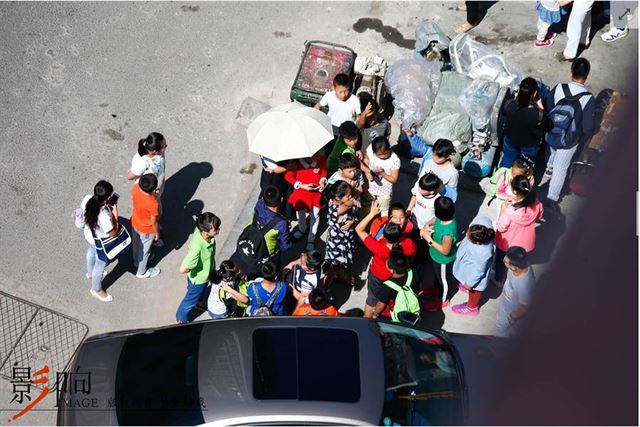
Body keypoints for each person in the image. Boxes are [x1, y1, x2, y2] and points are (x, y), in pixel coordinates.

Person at [542, 58, 595, 215]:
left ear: (570, 72)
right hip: (570, 140)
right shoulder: (588, 98)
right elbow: (587, 126)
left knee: (552, 151)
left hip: (552, 131)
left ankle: (548, 169)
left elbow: (549, 106)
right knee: (561, 168)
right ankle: (551, 198)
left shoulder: (559, 87)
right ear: (588, 75)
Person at [356, 200, 417, 318]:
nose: (399, 220)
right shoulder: (408, 244)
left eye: (401, 217)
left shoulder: (379, 247)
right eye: (395, 217)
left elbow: (359, 229)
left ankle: (366, 320)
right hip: (396, 279)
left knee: (372, 300)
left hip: (377, 276)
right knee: (387, 301)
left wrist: (371, 214)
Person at [494, 176, 544, 286]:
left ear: (515, 191)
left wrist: (503, 210)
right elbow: (539, 216)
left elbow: (501, 227)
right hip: (526, 243)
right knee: (519, 263)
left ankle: (498, 280)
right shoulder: (537, 203)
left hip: (507, 244)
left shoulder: (510, 211)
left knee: (501, 261)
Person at [499, 78, 554, 168]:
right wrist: (541, 106)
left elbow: (505, 113)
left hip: (510, 140)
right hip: (529, 146)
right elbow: (549, 126)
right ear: (535, 94)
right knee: (523, 166)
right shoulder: (538, 115)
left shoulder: (509, 104)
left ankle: (501, 178)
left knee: (507, 159)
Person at [176, 212, 221, 323]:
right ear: (205, 232)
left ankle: (200, 303)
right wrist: (196, 267)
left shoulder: (201, 231)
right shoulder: (197, 247)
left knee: (197, 294)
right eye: (215, 229)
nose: (218, 230)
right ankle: (181, 320)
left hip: (205, 275)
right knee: (189, 301)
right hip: (198, 280)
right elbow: (183, 269)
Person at [127, 132, 167, 247]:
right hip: (148, 195)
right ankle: (153, 237)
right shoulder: (142, 162)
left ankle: (154, 229)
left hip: (156, 191)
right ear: (155, 150)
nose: (165, 148)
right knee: (150, 218)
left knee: (158, 213)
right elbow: (130, 175)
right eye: (164, 146)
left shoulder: (158, 152)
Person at [82, 180, 120, 302]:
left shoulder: (88, 199)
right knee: (100, 265)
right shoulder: (104, 215)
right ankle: (96, 289)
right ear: (107, 198)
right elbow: (113, 233)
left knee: (91, 252)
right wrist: (114, 213)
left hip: (89, 235)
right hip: (101, 242)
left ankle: (90, 273)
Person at [451, 216, 496, 316]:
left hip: (475, 275)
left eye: (469, 235)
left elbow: (479, 271)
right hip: (470, 266)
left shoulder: (483, 252)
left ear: (478, 242)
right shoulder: (482, 224)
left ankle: (472, 307)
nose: (466, 233)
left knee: (476, 289)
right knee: (471, 284)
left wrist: (470, 284)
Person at [284, 152, 327, 249]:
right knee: (301, 214)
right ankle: (302, 229)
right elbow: (288, 176)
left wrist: (322, 181)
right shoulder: (297, 163)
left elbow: (324, 172)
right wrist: (302, 186)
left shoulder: (321, 159)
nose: (317, 157)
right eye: (314, 155)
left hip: (316, 196)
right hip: (301, 196)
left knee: (315, 216)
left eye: (317, 154)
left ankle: (311, 239)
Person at [421, 197, 458, 310]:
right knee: (437, 276)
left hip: (443, 260)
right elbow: (435, 219)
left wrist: (429, 239)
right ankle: (436, 289)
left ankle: (443, 300)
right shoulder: (443, 217)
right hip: (435, 256)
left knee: (444, 280)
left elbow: (445, 251)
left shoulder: (448, 231)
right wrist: (426, 225)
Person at [495, 246, 536, 337]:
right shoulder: (523, 264)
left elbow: (525, 306)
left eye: (506, 262)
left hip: (509, 312)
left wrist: (512, 316)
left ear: (514, 268)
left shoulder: (524, 285)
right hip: (506, 303)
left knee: (501, 331)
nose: (503, 260)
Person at [222, 261, 287, 317]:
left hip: (256, 314)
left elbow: (247, 299)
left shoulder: (252, 287)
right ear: (276, 276)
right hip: (276, 315)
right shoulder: (283, 287)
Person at [371, 250, 420, 322]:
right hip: (412, 305)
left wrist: (375, 314)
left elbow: (381, 304)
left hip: (396, 312)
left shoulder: (387, 286)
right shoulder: (413, 272)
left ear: (392, 270)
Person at [130, 174, 161, 279]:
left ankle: (135, 260)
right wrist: (157, 233)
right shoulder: (153, 204)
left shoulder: (135, 189)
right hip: (147, 229)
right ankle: (141, 271)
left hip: (135, 222)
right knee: (145, 251)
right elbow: (154, 221)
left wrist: (152, 194)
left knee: (137, 243)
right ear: (153, 188)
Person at [362, 136, 400, 216]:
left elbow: (394, 179)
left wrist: (383, 173)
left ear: (389, 148)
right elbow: (366, 159)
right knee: (368, 208)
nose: (382, 156)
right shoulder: (370, 149)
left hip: (384, 192)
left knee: (384, 211)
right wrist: (367, 171)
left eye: (385, 153)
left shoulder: (394, 160)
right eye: (379, 155)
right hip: (369, 187)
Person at [324, 181, 359, 269]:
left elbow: (354, 215)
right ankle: (338, 274)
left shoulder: (342, 202)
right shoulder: (336, 208)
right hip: (339, 240)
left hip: (347, 236)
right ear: (338, 198)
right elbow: (348, 205)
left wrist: (352, 221)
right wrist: (354, 202)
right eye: (348, 195)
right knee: (338, 261)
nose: (350, 197)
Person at [253, 185, 291, 263]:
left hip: (253, 236)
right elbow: (284, 246)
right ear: (281, 199)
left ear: (263, 199)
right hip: (268, 251)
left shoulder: (259, 204)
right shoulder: (281, 223)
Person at [415, 138, 459, 203]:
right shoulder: (429, 162)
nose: (434, 158)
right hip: (424, 198)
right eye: (433, 154)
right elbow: (421, 179)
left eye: (439, 157)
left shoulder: (452, 173)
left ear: (448, 156)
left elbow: (451, 195)